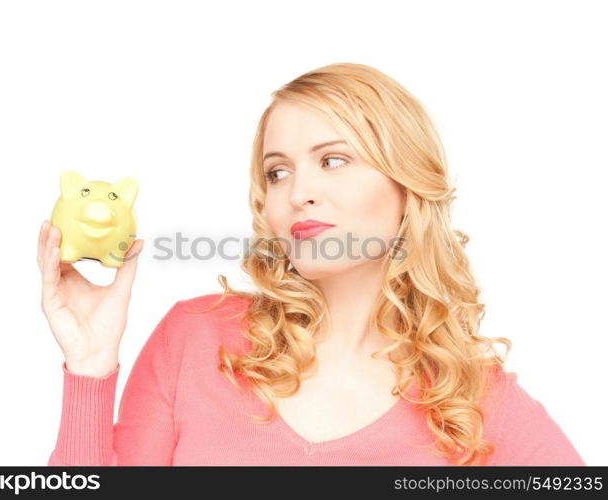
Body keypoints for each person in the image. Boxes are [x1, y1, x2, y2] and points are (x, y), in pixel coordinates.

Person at [39, 62, 585, 466]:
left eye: (333, 160)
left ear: (407, 186)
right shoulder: (195, 338)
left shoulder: (476, 401)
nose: (300, 192)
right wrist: (89, 368)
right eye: (278, 172)